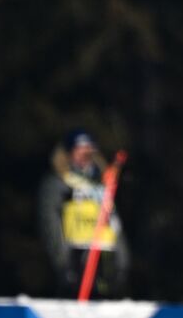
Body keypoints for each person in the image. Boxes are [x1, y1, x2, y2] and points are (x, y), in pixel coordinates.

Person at [37, 128, 130, 298]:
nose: (85, 154)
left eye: (89, 149)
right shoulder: (58, 183)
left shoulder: (102, 185)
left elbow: (114, 224)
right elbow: (49, 222)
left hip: (103, 259)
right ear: (68, 153)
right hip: (74, 259)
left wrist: (121, 262)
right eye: (79, 149)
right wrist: (62, 260)